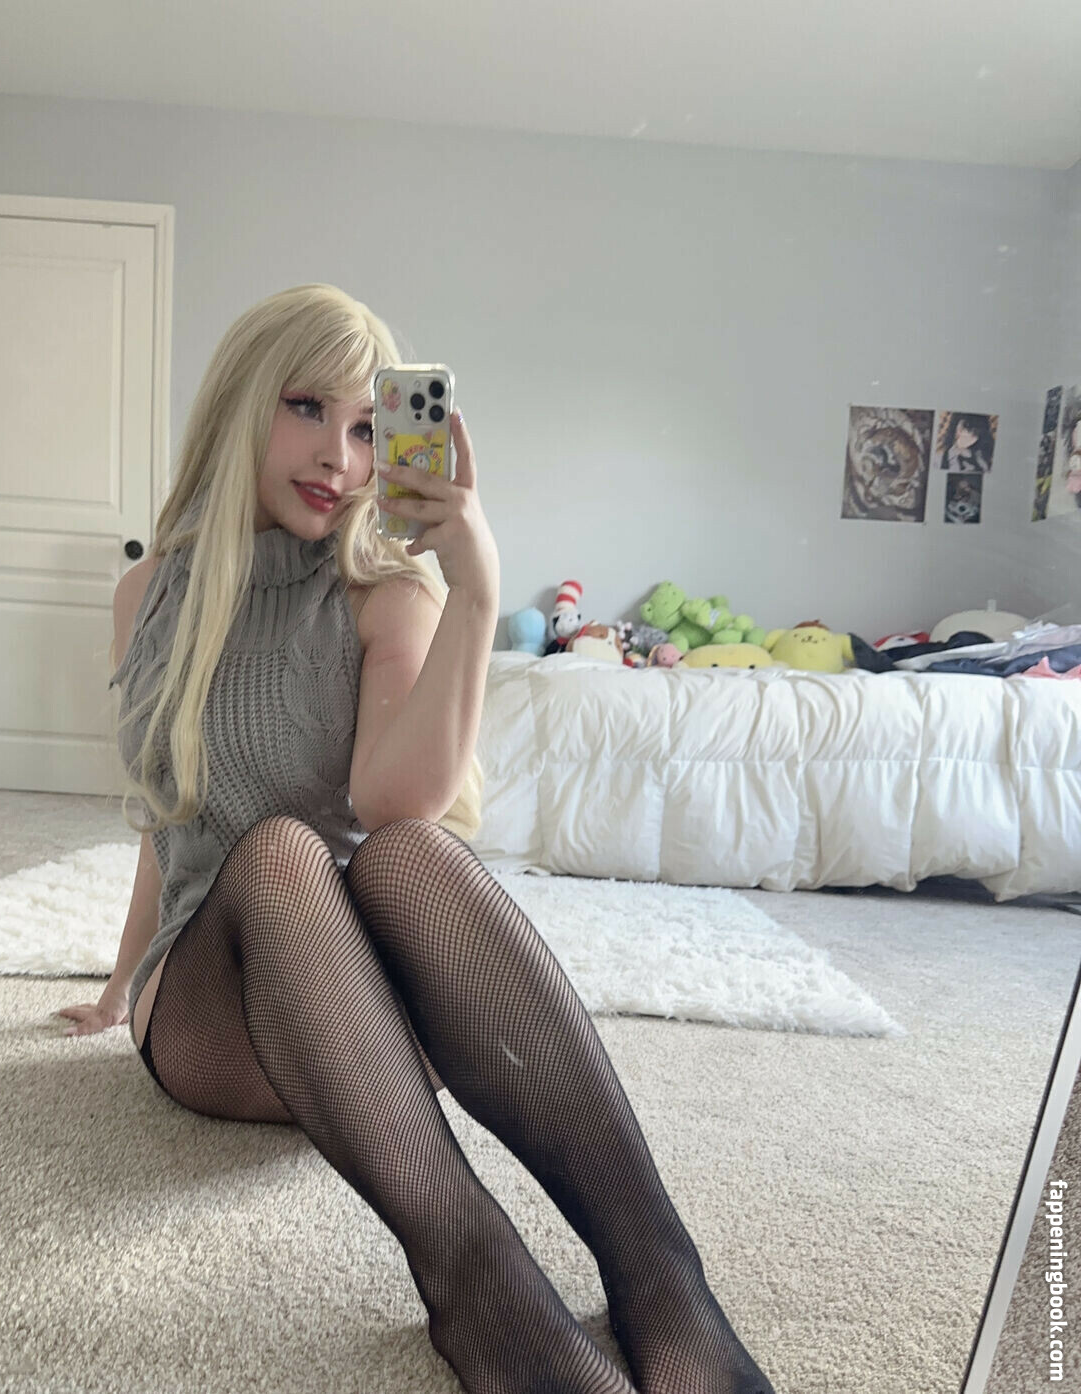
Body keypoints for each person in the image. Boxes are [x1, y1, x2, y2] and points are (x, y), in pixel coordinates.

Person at [58, 284, 775, 1394]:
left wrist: (474, 587)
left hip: (373, 1019)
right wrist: (117, 989)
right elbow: (169, 820)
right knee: (281, 852)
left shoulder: (382, 591)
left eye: (366, 426)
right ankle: (478, 1283)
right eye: (306, 407)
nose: (338, 457)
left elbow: (396, 806)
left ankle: (661, 1277)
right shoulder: (149, 594)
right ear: (240, 402)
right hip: (213, 1012)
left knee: (408, 854)